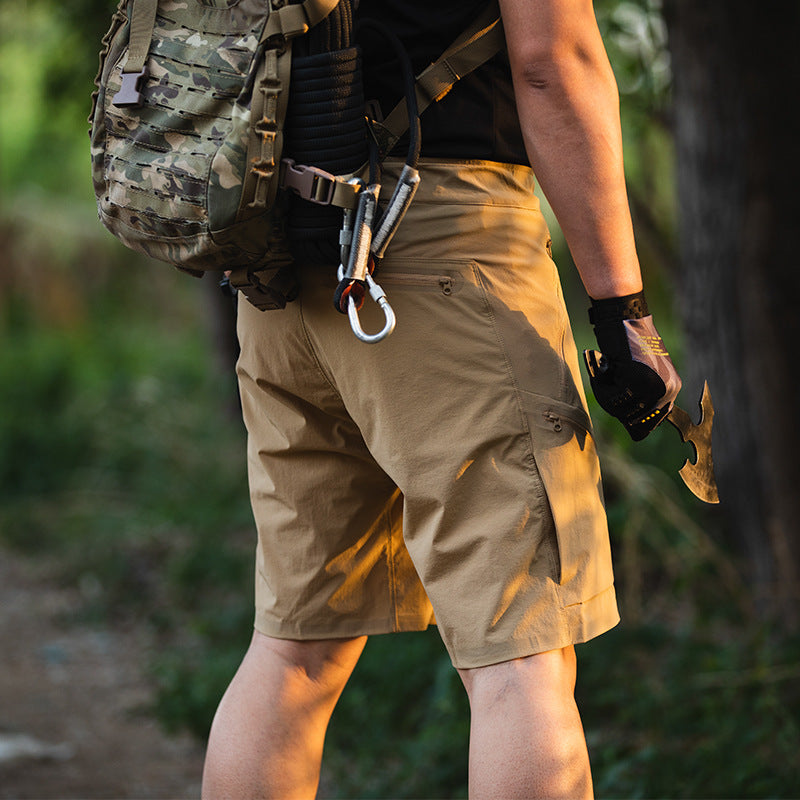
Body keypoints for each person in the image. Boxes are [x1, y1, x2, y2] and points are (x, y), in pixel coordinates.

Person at [201, 0, 681, 797]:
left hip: (283, 254)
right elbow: (551, 61)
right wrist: (622, 308)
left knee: (297, 650)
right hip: (438, 244)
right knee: (523, 654)